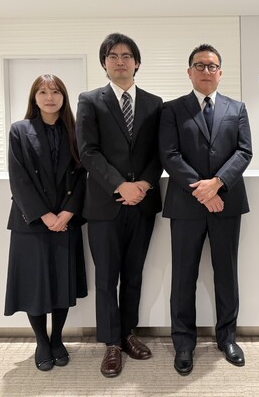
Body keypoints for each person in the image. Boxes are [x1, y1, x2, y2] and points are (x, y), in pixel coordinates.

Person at [159, 43, 253, 376]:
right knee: (183, 276)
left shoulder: (237, 108)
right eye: (199, 65)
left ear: (220, 72)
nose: (206, 71)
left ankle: (228, 339)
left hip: (226, 203)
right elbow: (169, 155)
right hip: (186, 205)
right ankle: (183, 343)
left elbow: (244, 152)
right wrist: (202, 190)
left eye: (212, 66)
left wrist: (218, 184)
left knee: (226, 273)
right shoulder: (172, 109)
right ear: (189, 72)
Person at [76, 33, 163, 378]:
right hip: (104, 205)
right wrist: (119, 185)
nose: (120, 61)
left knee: (134, 274)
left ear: (137, 63)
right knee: (106, 277)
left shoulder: (155, 103)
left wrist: (143, 184)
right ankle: (111, 343)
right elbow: (88, 152)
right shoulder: (89, 101)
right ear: (104, 63)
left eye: (127, 56)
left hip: (142, 202)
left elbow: (160, 152)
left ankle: (127, 334)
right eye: (113, 56)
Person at [4, 74, 87, 371]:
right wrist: (44, 214)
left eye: (55, 92)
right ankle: (41, 340)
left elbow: (83, 175)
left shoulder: (75, 132)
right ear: (34, 98)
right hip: (31, 222)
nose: (49, 97)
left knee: (62, 282)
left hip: (66, 220)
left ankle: (57, 339)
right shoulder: (20, 130)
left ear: (64, 97)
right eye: (42, 92)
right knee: (35, 285)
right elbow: (18, 179)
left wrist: (68, 212)